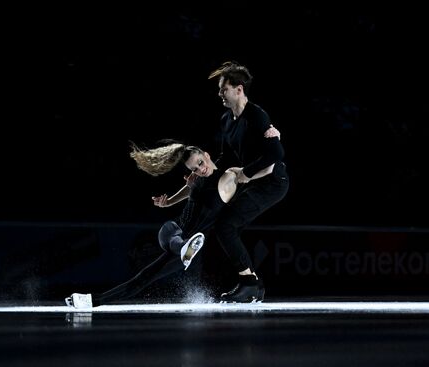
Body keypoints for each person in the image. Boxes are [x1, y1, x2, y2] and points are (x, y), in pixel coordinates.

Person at [65, 132, 278, 308]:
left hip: (191, 242)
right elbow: (190, 189)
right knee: (168, 232)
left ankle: (92, 300)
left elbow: (268, 168)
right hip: (176, 231)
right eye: (194, 168)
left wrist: (274, 140)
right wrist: (168, 203)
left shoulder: (229, 176)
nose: (200, 169)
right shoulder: (197, 179)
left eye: (200, 163)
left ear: (206, 154)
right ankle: (184, 247)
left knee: (145, 276)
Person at [207, 61, 290, 303]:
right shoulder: (226, 120)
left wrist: (246, 172)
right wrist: (206, 170)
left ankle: (250, 283)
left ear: (239, 89)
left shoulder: (257, 115)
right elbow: (226, 158)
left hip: (274, 182)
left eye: (223, 89)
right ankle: (252, 283)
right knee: (225, 225)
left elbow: (276, 154)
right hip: (253, 182)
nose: (219, 93)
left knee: (225, 225)